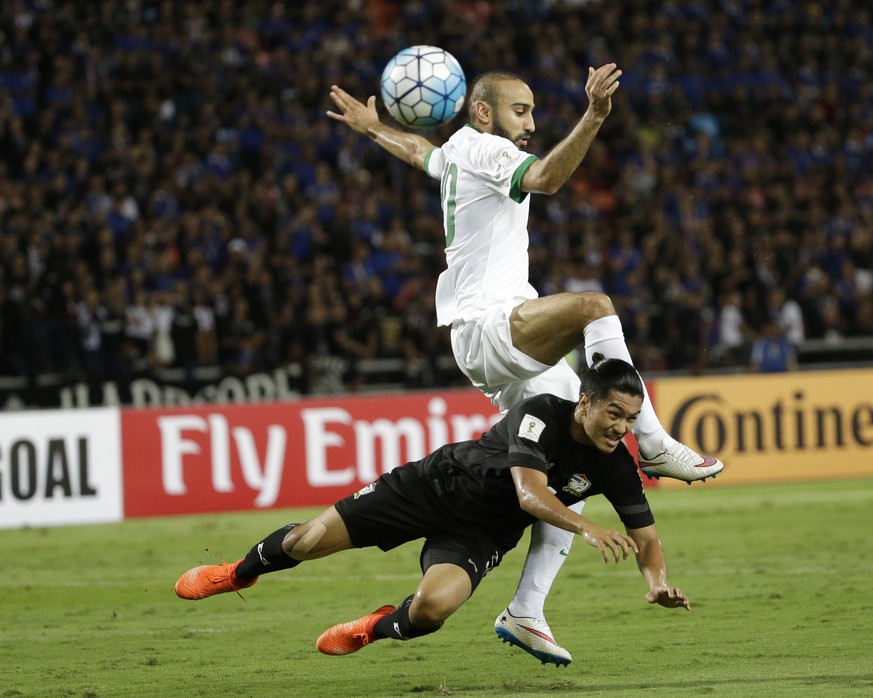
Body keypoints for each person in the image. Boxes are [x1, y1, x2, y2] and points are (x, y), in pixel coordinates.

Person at [325, 63, 720, 666]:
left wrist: (372, 128)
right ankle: (654, 439)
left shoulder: (460, 148)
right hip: (490, 325)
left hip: (484, 337)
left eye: (534, 112)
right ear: (483, 113)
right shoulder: (487, 149)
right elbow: (546, 178)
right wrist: (594, 116)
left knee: (578, 453)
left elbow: (419, 153)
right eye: (522, 111)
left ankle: (526, 611)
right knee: (595, 305)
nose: (532, 123)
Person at [175, 357, 691, 663]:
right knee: (302, 543)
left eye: (631, 419)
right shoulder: (541, 416)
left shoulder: (616, 465)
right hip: (430, 486)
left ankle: (372, 627)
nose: (623, 427)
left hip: (482, 533)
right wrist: (586, 527)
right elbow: (530, 494)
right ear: (585, 402)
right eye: (614, 413)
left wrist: (656, 582)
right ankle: (238, 573)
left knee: (431, 611)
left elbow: (646, 536)